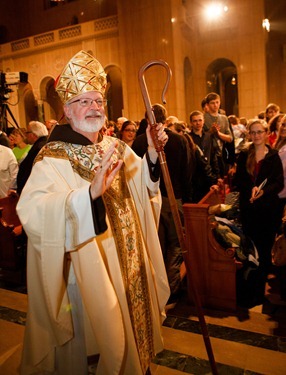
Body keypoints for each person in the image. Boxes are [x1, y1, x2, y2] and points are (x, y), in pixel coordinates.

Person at [17, 50, 170, 375]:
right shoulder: (51, 159)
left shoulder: (116, 147)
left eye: (98, 101)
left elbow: (142, 188)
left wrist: (153, 157)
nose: (95, 107)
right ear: (68, 111)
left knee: (133, 342)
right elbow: (34, 213)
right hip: (86, 280)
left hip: (130, 271)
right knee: (99, 351)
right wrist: (86, 198)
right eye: (84, 102)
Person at [132, 104, 193, 307]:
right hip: (173, 198)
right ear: (165, 120)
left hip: (151, 200)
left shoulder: (139, 142)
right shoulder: (179, 140)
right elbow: (187, 172)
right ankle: (172, 288)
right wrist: (185, 198)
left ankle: (157, 288)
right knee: (175, 245)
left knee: (156, 244)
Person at [233, 119, 284, 307]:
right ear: (249, 134)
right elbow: (238, 180)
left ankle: (259, 293)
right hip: (249, 211)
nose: (256, 136)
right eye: (253, 132)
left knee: (263, 253)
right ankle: (249, 292)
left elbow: (279, 183)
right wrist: (250, 189)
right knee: (249, 253)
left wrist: (263, 191)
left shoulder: (273, 156)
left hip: (267, 212)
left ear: (265, 133)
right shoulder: (244, 154)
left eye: (259, 132)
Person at [203, 92, 235, 178]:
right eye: (212, 103)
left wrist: (218, 133)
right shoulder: (203, 118)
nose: (215, 105)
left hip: (223, 154)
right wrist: (211, 131)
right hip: (209, 154)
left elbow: (230, 138)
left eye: (217, 102)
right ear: (208, 104)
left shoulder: (224, 118)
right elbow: (201, 138)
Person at [17, 121, 48, 195]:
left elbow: (30, 171)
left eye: (27, 133)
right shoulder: (43, 144)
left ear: (33, 134)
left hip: (34, 192)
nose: (25, 136)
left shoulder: (38, 148)